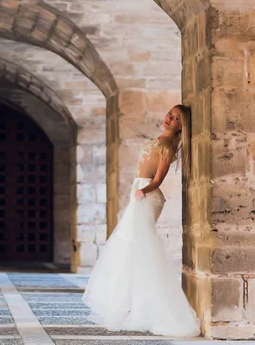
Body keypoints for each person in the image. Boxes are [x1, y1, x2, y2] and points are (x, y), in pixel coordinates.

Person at [82, 104, 200, 337]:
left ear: (181, 126)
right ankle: (131, 306)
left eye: (176, 118)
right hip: (139, 193)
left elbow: (158, 179)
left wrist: (143, 190)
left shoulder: (168, 146)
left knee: (139, 246)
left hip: (146, 196)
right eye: (170, 114)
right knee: (130, 246)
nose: (169, 118)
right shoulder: (160, 139)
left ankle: (150, 308)